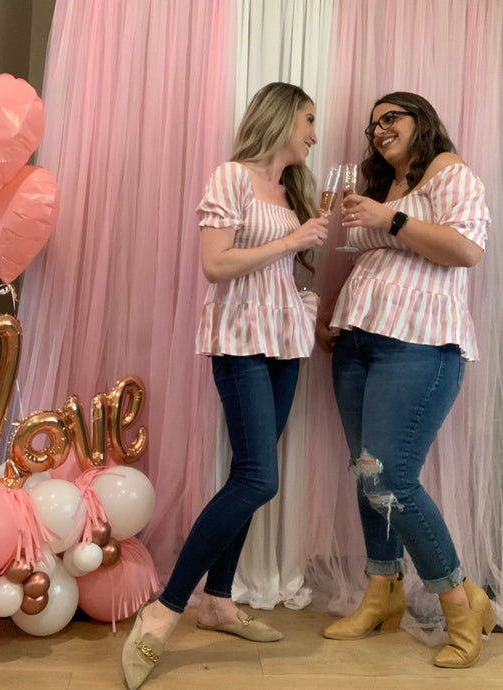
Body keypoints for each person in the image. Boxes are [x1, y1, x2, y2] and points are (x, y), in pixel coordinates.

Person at [121, 82, 329, 690]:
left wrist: (303, 288)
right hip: (239, 341)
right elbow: (216, 265)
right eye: (310, 120)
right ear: (284, 115)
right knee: (258, 478)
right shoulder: (231, 178)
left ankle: (219, 599)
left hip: (283, 344)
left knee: (250, 473)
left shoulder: (292, 191)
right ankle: (166, 609)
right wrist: (292, 241)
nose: (315, 134)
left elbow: (275, 274)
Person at [316, 92, 495, 668]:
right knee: (368, 473)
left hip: (418, 343)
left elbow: (466, 249)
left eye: (390, 117)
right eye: (373, 125)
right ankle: (383, 592)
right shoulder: (379, 187)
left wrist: (389, 218)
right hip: (359, 340)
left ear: (423, 120)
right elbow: (370, 257)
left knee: (391, 477)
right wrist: (333, 313)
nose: (378, 129)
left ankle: (460, 602)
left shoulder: (451, 175)